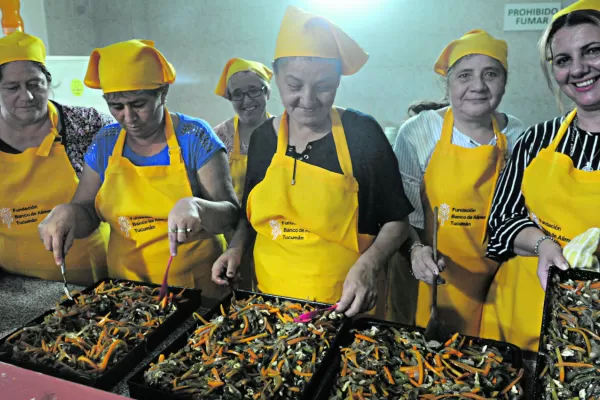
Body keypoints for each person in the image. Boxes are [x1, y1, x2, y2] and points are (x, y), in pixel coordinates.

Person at [211, 6, 414, 317]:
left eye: (323, 87)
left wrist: (370, 265)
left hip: (346, 304)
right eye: (294, 86)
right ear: (275, 77)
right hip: (271, 303)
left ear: (337, 83)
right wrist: (236, 248)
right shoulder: (265, 138)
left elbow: (396, 221)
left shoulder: (361, 133)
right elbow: (249, 215)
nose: (307, 100)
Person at [38, 39, 238, 297]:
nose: (128, 117)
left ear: (162, 94)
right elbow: (88, 213)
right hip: (126, 288)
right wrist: (69, 214)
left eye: (138, 104)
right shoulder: (106, 142)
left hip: (195, 287)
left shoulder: (194, 137)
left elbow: (230, 214)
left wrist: (198, 207)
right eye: (116, 106)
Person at [482, 0, 600, 351]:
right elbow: (501, 222)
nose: (578, 69)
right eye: (563, 60)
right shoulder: (538, 139)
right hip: (523, 314)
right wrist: (542, 244)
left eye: (592, 51)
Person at [394, 30, 526, 336]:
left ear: (504, 82)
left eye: (490, 74)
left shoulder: (518, 134)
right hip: (432, 277)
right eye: (465, 75)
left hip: (497, 283)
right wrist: (415, 251)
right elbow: (399, 211)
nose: (478, 86)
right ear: (448, 83)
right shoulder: (419, 131)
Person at [0, 31, 111, 285]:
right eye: (12, 87)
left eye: (34, 84)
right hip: (19, 288)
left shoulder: (87, 124)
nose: (26, 96)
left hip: (98, 276)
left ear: (48, 83)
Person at [213, 58, 273, 201]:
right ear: (230, 97)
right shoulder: (218, 137)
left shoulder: (284, 132)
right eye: (238, 94)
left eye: (254, 91)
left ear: (268, 92)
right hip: (232, 219)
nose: (247, 101)